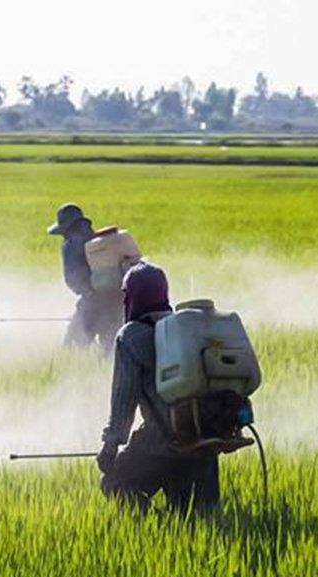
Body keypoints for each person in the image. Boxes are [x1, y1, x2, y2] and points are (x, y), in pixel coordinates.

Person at [97, 261, 220, 514]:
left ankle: (157, 525)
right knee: (199, 520)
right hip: (206, 443)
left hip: (160, 442)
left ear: (133, 297)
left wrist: (111, 445)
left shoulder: (131, 336)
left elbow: (124, 400)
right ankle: (171, 530)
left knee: (114, 483)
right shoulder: (186, 328)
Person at [47, 203, 123, 352]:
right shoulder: (96, 239)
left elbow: (73, 279)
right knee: (111, 348)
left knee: (71, 348)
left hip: (92, 302)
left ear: (66, 227)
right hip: (118, 298)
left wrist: (84, 306)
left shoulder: (70, 244)